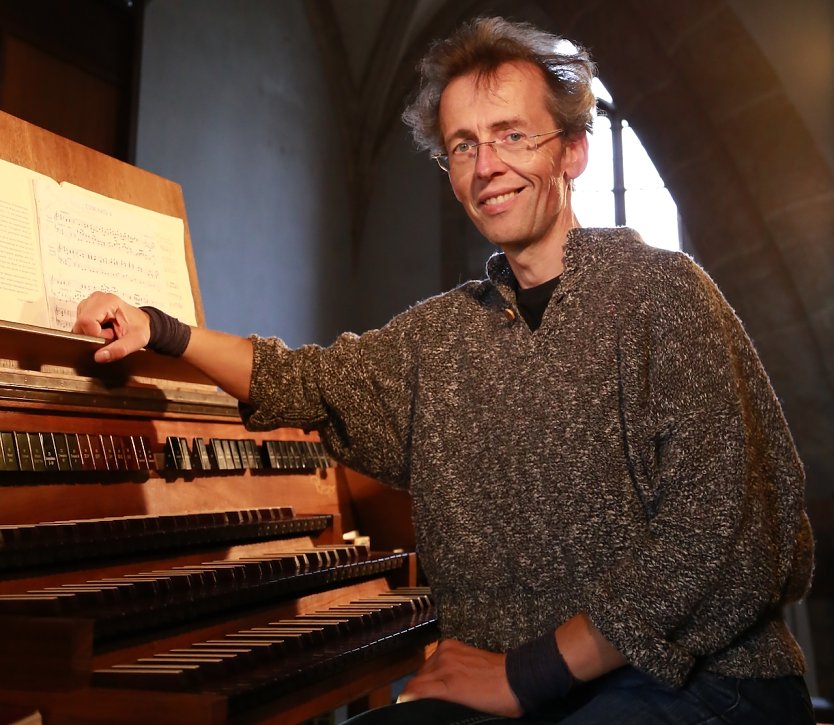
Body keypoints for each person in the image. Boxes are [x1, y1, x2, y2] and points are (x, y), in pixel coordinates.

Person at [73, 15, 815, 725]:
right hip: (532, 690)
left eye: (511, 134)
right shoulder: (442, 334)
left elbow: (718, 537)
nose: (487, 165)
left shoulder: (665, 292)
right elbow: (303, 382)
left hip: (709, 685)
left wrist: (524, 674)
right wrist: (160, 330)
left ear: (573, 150)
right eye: (464, 146)